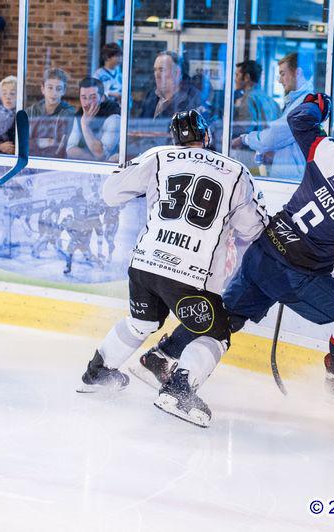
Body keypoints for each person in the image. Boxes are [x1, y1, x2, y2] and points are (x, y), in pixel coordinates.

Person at [144, 94, 334, 423]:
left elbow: (299, 119)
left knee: (226, 318)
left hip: (263, 253)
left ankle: (163, 354)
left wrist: (319, 102)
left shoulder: (328, 158)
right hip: (296, 276)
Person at [77, 109, 267, 428]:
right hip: (190, 275)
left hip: (145, 264)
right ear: (207, 137)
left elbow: (110, 193)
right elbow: (254, 228)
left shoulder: (158, 156)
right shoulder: (235, 171)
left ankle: (97, 373)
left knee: (143, 321)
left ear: (174, 138)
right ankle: (179, 391)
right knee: (217, 333)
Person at [231, 52, 313, 180]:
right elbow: (284, 137)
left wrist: (242, 139)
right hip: (277, 165)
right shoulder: (272, 100)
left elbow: (272, 135)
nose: (279, 80)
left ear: (298, 73)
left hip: (287, 175)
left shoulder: (303, 103)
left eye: (282, 74)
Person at [231, 60, 281, 171]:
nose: (235, 79)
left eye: (237, 75)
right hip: (268, 158)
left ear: (247, 77)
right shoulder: (271, 100)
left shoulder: (248, 98)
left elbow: (245, 127)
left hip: (250, 157)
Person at [66, 77, 120, 161]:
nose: (88, 102)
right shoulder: (80, 114)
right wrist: (92, 160)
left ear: (102, 98)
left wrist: (85, 125)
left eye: (93, 97)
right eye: (84, 98)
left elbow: (101, 154)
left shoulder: (114, 116)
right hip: (90, 165)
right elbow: (70, 149)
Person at [25, 68, 75, 158]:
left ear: (64, 91)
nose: (54, 93)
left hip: (56, 162)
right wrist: (42, 142)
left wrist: (35, 142)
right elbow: (23, 143)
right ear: (42, 89)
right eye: (50, 88)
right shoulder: (31, 111)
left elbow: (61, 146)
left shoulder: (68, 112)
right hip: (32, 160)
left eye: (58, 89)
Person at [139, 51, 202, 123]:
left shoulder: (193, 99)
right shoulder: (151, 96)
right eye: (155, 70)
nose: (157, 75)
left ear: (177, 73)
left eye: (161, 70)